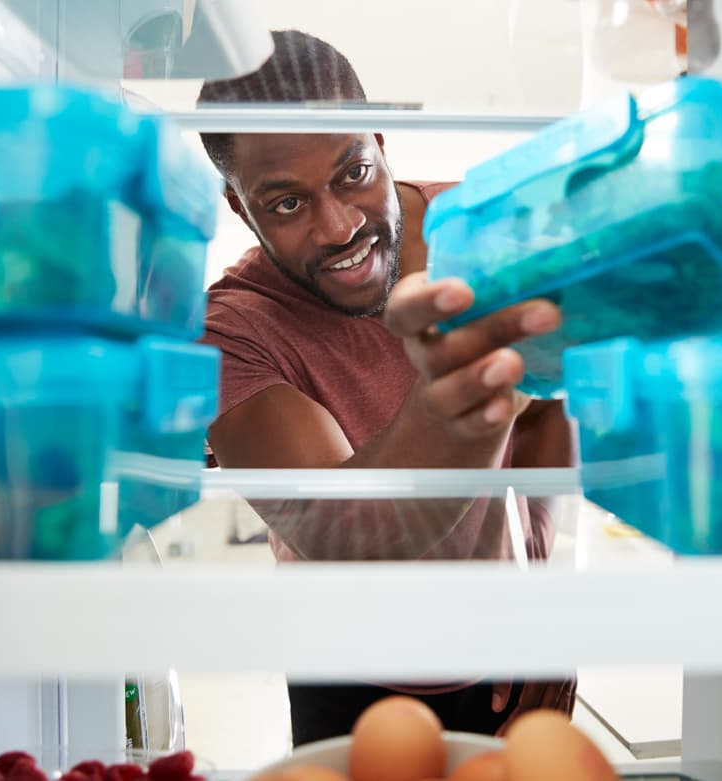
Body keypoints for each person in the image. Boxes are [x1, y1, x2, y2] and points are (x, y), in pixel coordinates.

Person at [197, 29, 576, 747]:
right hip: (346, 677)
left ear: (377, 139)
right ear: (241, 209)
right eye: (285, 204)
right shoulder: (232, 331)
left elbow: (542, 415)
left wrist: (538, 603)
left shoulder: (480, 227)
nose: (338, 226)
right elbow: (345, 536)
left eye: (351, 174)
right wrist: (453, 404)